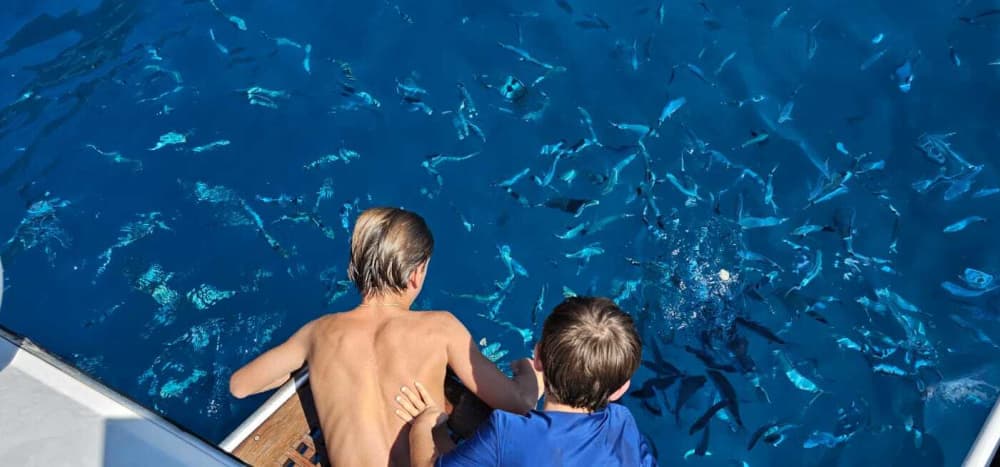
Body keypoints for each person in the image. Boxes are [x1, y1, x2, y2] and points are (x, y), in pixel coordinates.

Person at [229, 207, 542, 466]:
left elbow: (241, 386)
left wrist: (311, 363)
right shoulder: (441, 327)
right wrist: (531, 373)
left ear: (356, 267)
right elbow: (517, 405)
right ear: (416, 274)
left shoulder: (318, 332)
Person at [394, 296, 658, 467]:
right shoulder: (625, 427)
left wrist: (427, 425)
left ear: (538, 356)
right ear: (621, 389)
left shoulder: (506, 433)